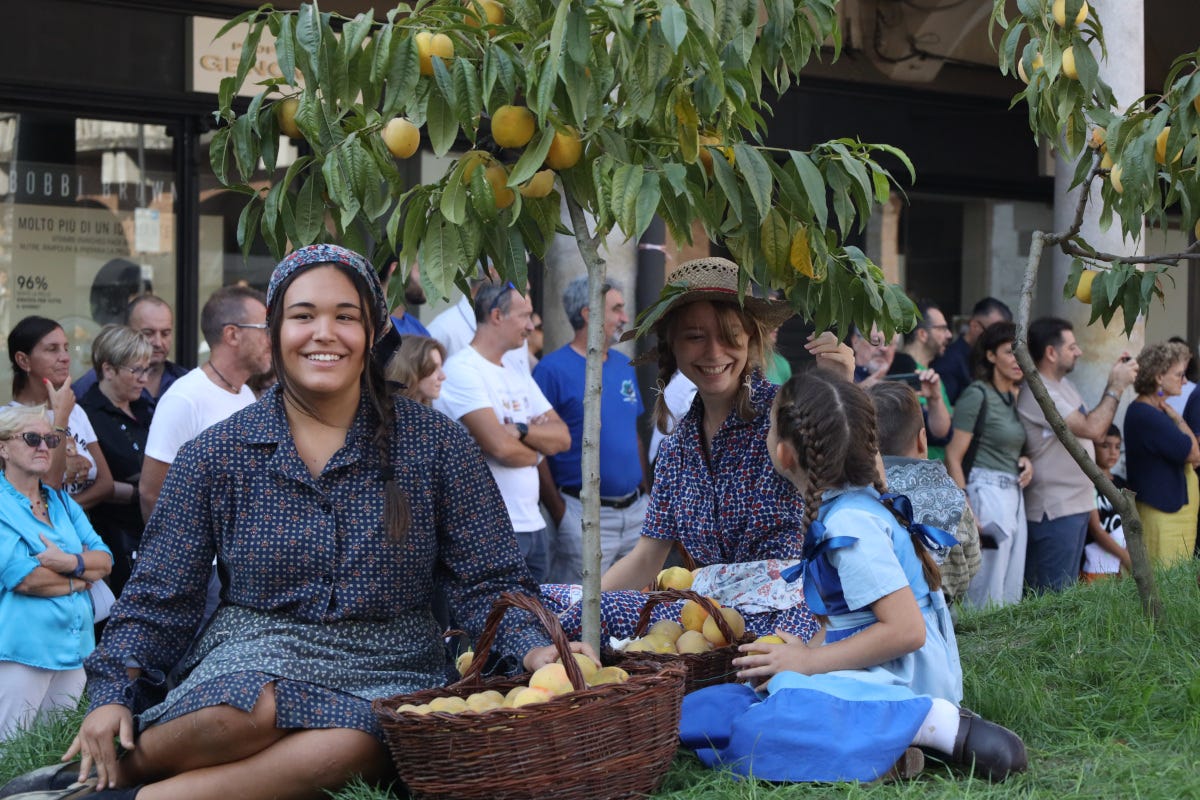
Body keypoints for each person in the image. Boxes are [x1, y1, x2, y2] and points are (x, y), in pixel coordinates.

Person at [32, 244, 585, 800]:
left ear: (372, 331)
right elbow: (159, 596)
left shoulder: (435, 445)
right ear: (273, 333)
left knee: (359, 741)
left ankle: (125, 793)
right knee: (247, 705)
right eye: (303, 316)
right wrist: (111, 693)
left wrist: (534, 647)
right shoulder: (218, 453)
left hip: (391, 658)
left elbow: (489, 578)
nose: (324, 333)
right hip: (254, 650)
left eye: (346, 316)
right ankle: (107, 772)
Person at [678, 372, 1027, 783]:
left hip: (903, 680)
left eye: (770, 428)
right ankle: (890, 752)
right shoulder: (846, 508)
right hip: (874, 672)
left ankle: (931, 723)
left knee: (759, 732)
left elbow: (907, 632)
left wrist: (809, 662)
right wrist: (802, 652)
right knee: (704, 709)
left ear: (786, 453)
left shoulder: (851, 525)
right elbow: (849, 623)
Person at [542, 256, 851, 642]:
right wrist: (580, 609)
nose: (714, 351)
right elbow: (645, 558)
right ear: (672, 345)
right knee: (545, 601)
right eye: (695, 336)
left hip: (783, 622)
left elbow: (851, 500)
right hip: (706, 619)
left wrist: (839, 397)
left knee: (585, 613)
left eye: (730, 335)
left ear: (752, 340)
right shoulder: (678, 446)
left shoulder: (784, 416)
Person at [434, 282, 570, 582]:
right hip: (489, 528)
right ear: (497, 315)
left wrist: (519, 429)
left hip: (532, 525)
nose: (531, 325)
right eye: (524, 315)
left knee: (533, 622)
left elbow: (563, 437)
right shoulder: (462, 370)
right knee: (489, 627)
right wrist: (537, 450)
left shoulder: (515, 369)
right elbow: (500, 448)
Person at [0, 404, 113, 741]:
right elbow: (25, 579)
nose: (43, 447)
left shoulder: (61, 502)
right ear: (2, 447)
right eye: (32, 438)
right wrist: (83, 578)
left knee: (48, 758)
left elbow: (105, 560)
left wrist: (69, 564)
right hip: (22, 651)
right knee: (7, 756)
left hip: (75, 649)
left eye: (50, 440)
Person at [534, 277, 648, 583]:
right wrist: (560, 514)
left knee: (635, 614)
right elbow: (537, 449)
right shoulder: (550, 370)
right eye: (617, 309)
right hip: (584, 518)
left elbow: (633, 435)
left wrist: (647, 497)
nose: (624, 318)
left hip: (636, 513)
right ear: (588, 313)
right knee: (578, 618)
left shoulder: (625, 365)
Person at [1018, 317, 1137, 594]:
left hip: (1074, 506)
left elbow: (1092, 422)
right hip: (1054, 509)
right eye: (1072, 347)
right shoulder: (1039, 390)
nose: (1079, 352)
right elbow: (1094, 429)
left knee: (1065, 595)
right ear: (1051, 352)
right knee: (1051, 598)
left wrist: (1111, 379)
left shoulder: (1062, 385)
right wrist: (1116, 387)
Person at [138, 286, 271, 521]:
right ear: (232, 334)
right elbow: (151, 493)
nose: (271, 339)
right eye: (264, 329)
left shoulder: (246, 395)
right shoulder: (185, 398)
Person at [868, 381, 981, 605]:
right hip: (942, 616)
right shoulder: (950, 494)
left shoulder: (857, 496)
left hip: (873, 620)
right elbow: (972, 562)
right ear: (922, 439)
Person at [945, 322, 1032, 608]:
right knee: (987, 584)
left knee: (1011, 585)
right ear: (991, 356)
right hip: (986, 490)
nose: (1018, 360)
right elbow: (954, 456)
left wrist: (1025, 460)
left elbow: (1013, 443)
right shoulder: (977, 394)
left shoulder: (1015, 397)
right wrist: (967, 506)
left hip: (1014, 493)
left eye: (1021, 352)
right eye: (1009, 352)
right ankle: (977, 648)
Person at [77, 326, 153, 597]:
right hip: (112, 537)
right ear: (108, 369)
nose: (144, 379)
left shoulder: (147, 408)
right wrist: (138, 490)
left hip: (149, 533)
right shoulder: (86, 415)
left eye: (148, 369)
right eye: (136, 370)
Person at [7, 316, 114, 510]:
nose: (65, 357)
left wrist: (67, 514)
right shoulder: (8, 420)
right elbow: (50, 483)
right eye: (52, 349)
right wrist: (60, 418)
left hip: (79, 532)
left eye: (66, 348)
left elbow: (106, 483)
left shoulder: (76, 410)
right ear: (23, 360)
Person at [1123, 340, 1200, 564]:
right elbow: (1195, 455)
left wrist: (1174, 416)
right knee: (1164, 580)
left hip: (1170, 512)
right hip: (1161, 514)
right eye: (1179, 375)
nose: (1184, 381)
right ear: (1159, 378)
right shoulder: (1147, 414)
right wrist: (1178, 419)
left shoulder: (1156, 411)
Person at [72, 295, 189, 411]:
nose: (158, 342)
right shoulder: (94, 383)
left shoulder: (186, 382)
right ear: (127, 330)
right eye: (148, 333)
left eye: (165, 333)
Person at [426, 272, 530, 372]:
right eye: (514, 267)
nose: (527, 282)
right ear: (492, 272)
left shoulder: (518, 329)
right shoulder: (442, 328)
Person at [890, 300, 953, 460]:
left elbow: (944, 433)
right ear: (922, 334)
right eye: (942, 328)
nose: (949, 335)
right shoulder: (900, 370)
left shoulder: (931, 376)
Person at [931, 297, 1013, 404]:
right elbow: (946, 409)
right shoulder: (950, 361)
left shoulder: (991, 359)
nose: (998, 339)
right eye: (994, 332)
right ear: (975, 326)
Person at [1082, 425, 1131, 581]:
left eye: (1117, 447)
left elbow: (1131, 524)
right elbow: (1096, 530)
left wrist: (1128, 554)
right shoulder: (1088, 483)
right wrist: (1124, 555)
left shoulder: (1122, 484)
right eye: (1105, 446)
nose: (1113, 452)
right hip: (1095, 565)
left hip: (1120, 564)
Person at [376, 256, 431, 338]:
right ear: (397, 270)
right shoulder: (373, 327)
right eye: (423, 271)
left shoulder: (419, 329)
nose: (430, 280)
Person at [385, 335, 447, 406]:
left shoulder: (428, 413)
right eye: (433, 368)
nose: (443, 376)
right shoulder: (384, 413)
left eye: (440, 367)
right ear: (409, 370)